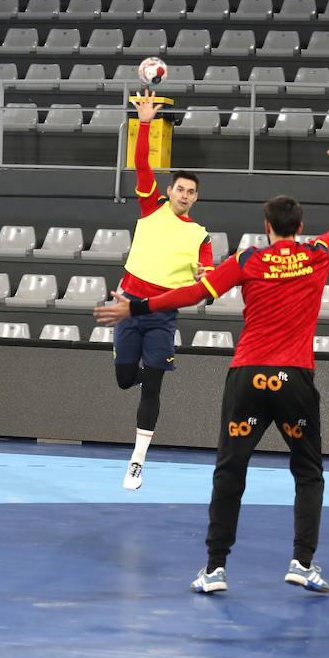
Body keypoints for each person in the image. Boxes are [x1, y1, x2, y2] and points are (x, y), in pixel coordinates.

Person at [95, 129, 329, 596]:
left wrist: (134, 307)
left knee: (229, 471)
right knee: (309, 472)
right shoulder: (320, 254)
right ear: (300, 228)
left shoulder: (247, 260)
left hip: (248, 377)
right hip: (296, 378)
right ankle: (302, 563)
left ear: (268, 227)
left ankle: (215, 569)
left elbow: (191, 293)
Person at [114, 90, 213, 491]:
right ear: (170, 191)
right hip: (127, 305)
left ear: (195, 197)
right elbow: (140, 162)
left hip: (161, 316)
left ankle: (136, 463)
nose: (185, 195)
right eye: (180, 189)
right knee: (124, 380)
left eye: (191, 192)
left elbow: (206, 281)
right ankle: (144, 371)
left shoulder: (201, 235)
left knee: (152, 384)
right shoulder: (150, 207)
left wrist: (204, 285)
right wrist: (144, 122)